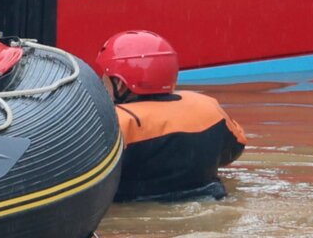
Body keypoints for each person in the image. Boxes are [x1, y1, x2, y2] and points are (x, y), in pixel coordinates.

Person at [96, 30, 247, 201]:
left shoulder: (113, 123)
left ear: (120, 84)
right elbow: (232, 152)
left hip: (138, 212)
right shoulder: (208, 108)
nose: (101, 81)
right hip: (210, 199)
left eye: (105, 77)